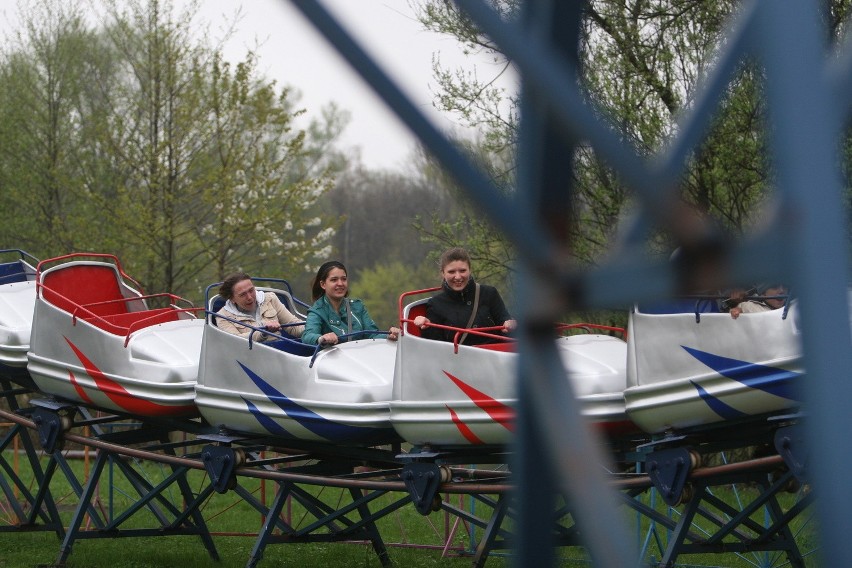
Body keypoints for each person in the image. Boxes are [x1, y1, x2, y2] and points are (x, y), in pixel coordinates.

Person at [413, 247, 516, 345]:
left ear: (469, 270)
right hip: (458, 361)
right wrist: (427, 326)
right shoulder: (436, 304)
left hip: (493, 357)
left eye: (462, 271)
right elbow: (434, 345)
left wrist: (510, 325)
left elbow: (505, 324)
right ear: (443, 273)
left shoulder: (489, 293)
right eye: (451, 272)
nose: (458, 277)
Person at [302, 260, 400, 346]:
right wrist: (322, 338)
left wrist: (389, 335)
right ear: (323, 284)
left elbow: (372, 335)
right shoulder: (317, 311)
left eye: (343, 279)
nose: (340, 283)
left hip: (359, 360)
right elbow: (307, 336)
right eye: (334, 280)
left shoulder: (357, 306)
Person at [216, 271, 305, 341]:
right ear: (232, 299)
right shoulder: (222, 316)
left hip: (280, 351)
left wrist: (315, 332)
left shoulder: (270, 298)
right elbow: (236, 341)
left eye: (251, 290)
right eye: (243, 294)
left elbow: (293, 326)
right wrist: (263, 332)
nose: (250, 297)